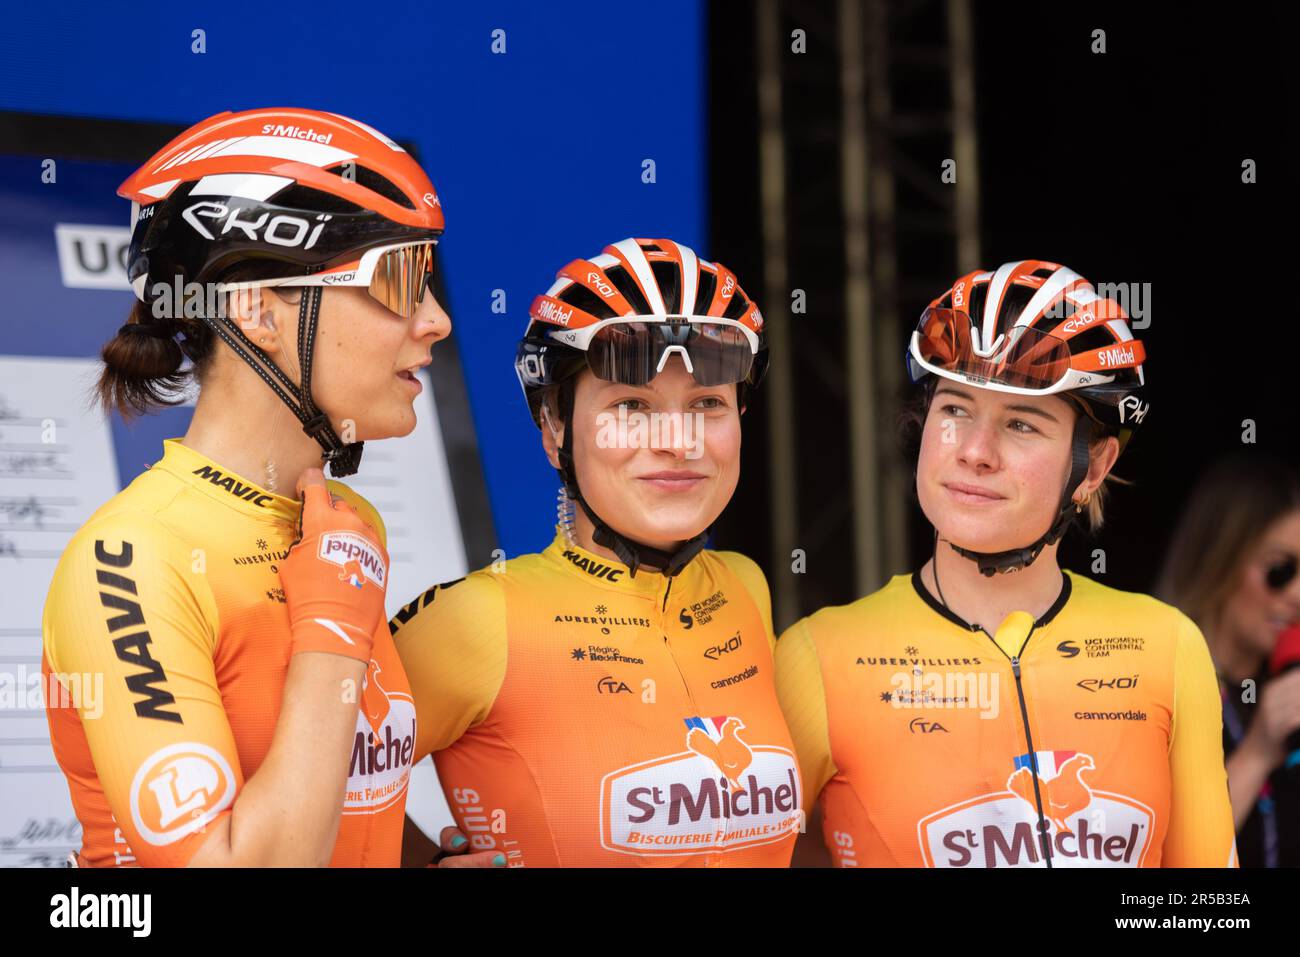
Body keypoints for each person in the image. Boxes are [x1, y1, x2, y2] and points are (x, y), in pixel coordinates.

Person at [41, 107, 452, 866]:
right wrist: (329, 637)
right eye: (398, 279)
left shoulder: (343, 520)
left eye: (429, 280)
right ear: (258, 308)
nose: (436, 321)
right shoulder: (132, 558)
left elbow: (327, 785)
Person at [776, 260, 1237, 867]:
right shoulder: (817, 655)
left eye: (1021, 424)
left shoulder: (1170, 646)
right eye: (956, 410)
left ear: (1092, 468)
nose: (975, 452)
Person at [391, 238, 802, 866]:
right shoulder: (474, 620)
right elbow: (300, 783)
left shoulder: (745, 587)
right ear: (555, 428)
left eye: (707, 404)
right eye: (631, 406)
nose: (677, 441)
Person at [1156, 453, 1300, 867]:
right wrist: (1257, 754)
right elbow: (1164, 856)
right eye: (1280, 570)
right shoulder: (1153, 677)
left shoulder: (1283, 683)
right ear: (1220, 557)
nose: (1296, 594)